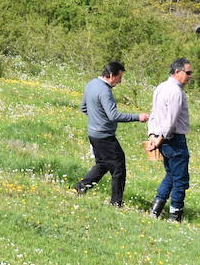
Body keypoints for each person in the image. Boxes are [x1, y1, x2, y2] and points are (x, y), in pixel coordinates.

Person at [72, 61, 149, 206]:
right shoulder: (105, 91)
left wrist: (96, 118)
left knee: (102, 164)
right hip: (104, 136)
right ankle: (116, 202)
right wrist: (138, 117)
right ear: (112, 75)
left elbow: (83, 108)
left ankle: (81, 187)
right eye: (119, 77)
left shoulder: (91, 84)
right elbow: (113, 115)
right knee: (118, 167)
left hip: (93, 134)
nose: (120, 81)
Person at [145, 58, 193, 221]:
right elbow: (170, 120)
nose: (189, 76)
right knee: (180, 178)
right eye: (188, 73)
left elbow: (154, 114)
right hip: (173, 138)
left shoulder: (161, 87)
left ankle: (155, 209)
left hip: (163, 137)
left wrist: (152, 134)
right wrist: (160, 138)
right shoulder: (175, 91)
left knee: (171, 175)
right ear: (177, 72)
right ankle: (175, 214)